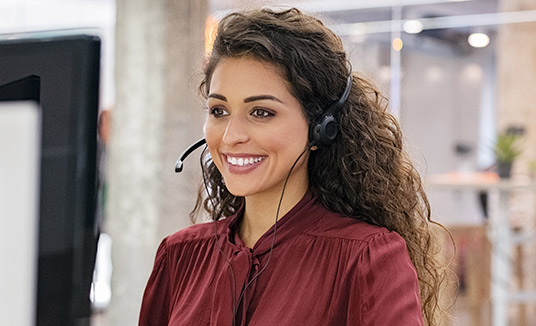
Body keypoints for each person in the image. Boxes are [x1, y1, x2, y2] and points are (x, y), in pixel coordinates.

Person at [139, 7, 447, 326]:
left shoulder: (367, 258)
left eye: (261, 112)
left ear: (319, 127)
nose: (231, 136)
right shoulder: (181, 255)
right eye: (219, 111)